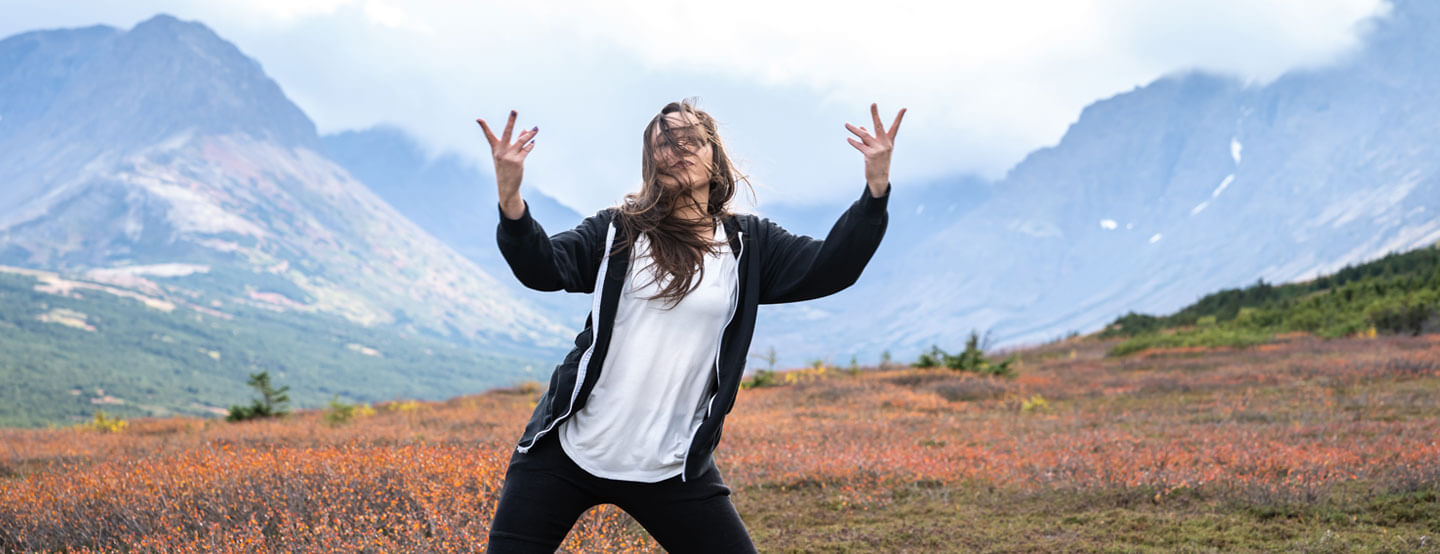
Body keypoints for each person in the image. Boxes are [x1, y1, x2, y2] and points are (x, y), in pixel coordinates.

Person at [476, 100, 904, 552]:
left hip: (672, 466)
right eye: (664, 143)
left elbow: (831, 268)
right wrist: (511, 202)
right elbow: (542, 268)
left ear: (713, 155)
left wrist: (875, 191)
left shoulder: (749, 245)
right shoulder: (617, 232)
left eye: (691, 141)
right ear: (651, 161)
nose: (678, 150)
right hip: (567, 451)